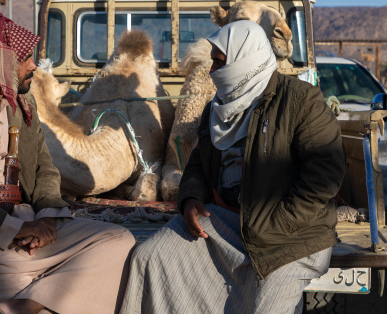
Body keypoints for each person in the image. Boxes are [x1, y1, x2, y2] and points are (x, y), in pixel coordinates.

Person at [0, 10, 135, 314]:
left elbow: (44, 167)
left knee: (120, 240)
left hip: (31, 225)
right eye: (25, 59)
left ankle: (29, 303)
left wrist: (47, 218)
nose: (34, 66)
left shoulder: (23, 101)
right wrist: (12, 230)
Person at [120, 20, 346, 314]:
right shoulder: (217, 108)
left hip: (291, 234)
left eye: (219, 62)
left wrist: (269, 223)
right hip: (226, 220)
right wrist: (189, 199)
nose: (212, 71)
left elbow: (323, 176)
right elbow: (199, 163)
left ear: (246, 59)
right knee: (150, 257)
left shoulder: (302, 101)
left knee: (265, 308)